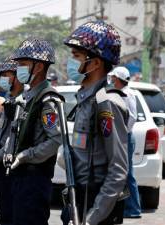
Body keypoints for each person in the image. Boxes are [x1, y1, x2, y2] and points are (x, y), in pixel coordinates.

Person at [61, 21, 129, 225]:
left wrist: (93, 218)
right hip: (78, 198)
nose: (70, 63)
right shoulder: (85, 98)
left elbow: (118, 169)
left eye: (76, 56)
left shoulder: (106, 103)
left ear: (96, 62)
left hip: (96, 202)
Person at [9, 38, 63, 225]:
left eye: (23, 64)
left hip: (35, 178)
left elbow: (56, 139)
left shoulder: (47, 99)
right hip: (21, 178)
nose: (18, 69)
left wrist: (27, 155)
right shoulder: (27, 96)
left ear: (38, 67)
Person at [0, 57, 23, 225]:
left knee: (13, 215)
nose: (2, 79)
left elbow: (16, 135)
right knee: (4, 215)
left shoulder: (23, 102)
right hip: (0, 167)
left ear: (17, 77)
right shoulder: (7, 101)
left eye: (5, 75)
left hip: (12, 166)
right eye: (0, 76)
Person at [108, 66, 141, 218]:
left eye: (114, 78)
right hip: (120, 137)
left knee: (128, 174)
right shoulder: (116, 93)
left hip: (125, 138)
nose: (112, 80)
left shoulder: (128, 94)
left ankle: (133, 209)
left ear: (119, 79)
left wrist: (122, 133)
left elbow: (132, 117)